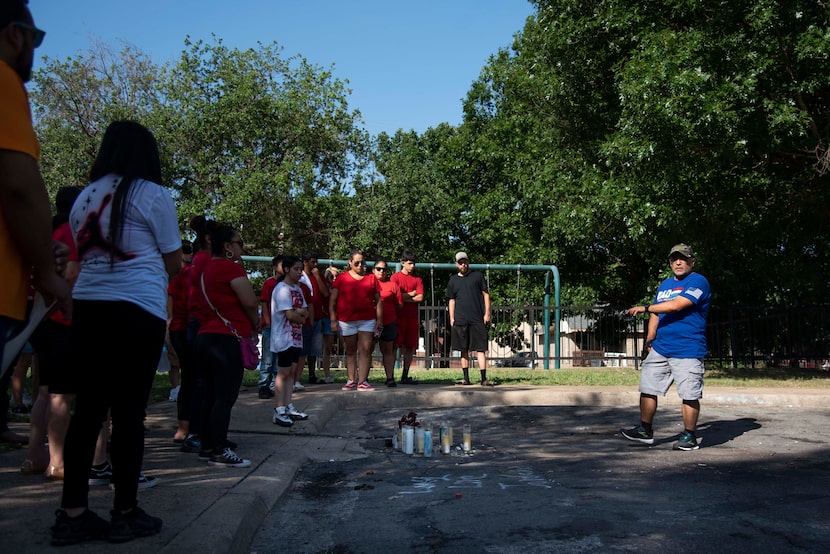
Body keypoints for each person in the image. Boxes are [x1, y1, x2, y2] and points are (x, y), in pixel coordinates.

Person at [53, 120, 182, 545]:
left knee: (88, 410)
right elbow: (173, 262)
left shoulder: (85, 197)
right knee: (129, 414)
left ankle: (72, 514)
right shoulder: (152, 193)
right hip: (136, 310)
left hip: (89, 308)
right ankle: (125, 511)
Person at [0, 0, 71, 384]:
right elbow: (19, 186)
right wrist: (46, 269)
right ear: (15, 34)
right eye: (36, 38)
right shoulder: (3, 79)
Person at [621, 243, 711, 451]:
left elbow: (677, 305)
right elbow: (656, 313)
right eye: (674, 259)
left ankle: (689, 436)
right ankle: (645, 430)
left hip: (687, 348)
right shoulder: (665, 285)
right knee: (647, 388)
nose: (678, 262)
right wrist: (650, 338)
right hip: (661, 347)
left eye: (683, 258)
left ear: (692, 261)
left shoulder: (698, 282)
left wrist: (644, 307)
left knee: (689, 393)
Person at [22, 186, 81, 480]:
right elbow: (72, 275)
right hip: (63, 319)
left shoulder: (45, 231)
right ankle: (57, 461)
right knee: (62, 394)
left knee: (46, 392)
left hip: (40, 319)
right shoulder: (72, 233)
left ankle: (35, 456)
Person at [194, 224, 258, 468]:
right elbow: (250, 301)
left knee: (210, 394)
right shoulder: (230, 268)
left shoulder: (205, 269)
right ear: (227, 247)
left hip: (206, 336)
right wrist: (253, 323)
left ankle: (208, 444)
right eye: (239, 243)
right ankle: (219, 450)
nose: (242, 247)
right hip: (226, 338)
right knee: (225, 396)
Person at [329, 249, 382, 391]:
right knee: (350, 350)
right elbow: (332, 301)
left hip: (367, 319)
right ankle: (351, 379)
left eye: (362, 262)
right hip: (346, 320)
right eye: (356, 262)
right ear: (350, 262)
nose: (360, 265)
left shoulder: (371, 278)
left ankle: (363, 381)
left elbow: (378, 301)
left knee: (365, 350)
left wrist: (379, 319)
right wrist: (333, 320)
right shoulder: (342, 278)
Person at [270, 256, 311, 426]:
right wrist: (299, 315)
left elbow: (305, 312)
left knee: (292, 372)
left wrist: (299, 313)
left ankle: (288, 405)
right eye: (296, 269)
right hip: (283, 336)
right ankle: (279, 409)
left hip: (296, 336)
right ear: (286, 269)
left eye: (301, 269)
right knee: (283, 372)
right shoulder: (281, 289)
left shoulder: (298, 289)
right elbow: (290, 314)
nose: (299, 272)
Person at [446, 251, 491, 386]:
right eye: (460, 262)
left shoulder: (477, 276)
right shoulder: (453, 280)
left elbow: (486, 295)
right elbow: (451, 300)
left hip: (477, 319)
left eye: (465, 261)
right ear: (456, 264)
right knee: (463, 350)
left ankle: (484, 378)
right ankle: (466, 378)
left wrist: (487, 313)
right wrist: (452, 318)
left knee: (480, 349)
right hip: (460, 319)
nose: (463, 264)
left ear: (468, 262)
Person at [167, 239, 193, 442]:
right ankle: (185, 429)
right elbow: (170, 308)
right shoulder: (178, 279)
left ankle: (185, 428)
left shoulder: (182, 277)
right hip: (183, 329)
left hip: (185, 329)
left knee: (192, 380)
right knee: (192, 380)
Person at [390, 249, 424, 384]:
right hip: (398, 317)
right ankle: (390, 375)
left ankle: (405, 375)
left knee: (410, 347)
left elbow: (420, 297)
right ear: (403, 263)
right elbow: (395, 296)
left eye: (414, 263)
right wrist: (411, 294)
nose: (412, 266)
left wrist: (404, 297)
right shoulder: (395, 277)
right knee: (394, 346)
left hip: (412, 317)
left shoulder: (417, 278)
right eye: (410, 263)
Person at [298, 251, 329, 385]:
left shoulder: (318, 276)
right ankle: (296, 378)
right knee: (302, 350)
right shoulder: (299, 277)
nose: (315, 264)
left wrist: (317, 276)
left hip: (317, 317)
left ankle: (312, 374)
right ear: (305, 262)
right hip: (302, 319)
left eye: (316, 261)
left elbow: (325, 293)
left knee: (314, 349)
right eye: (312, 262)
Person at [374, 259, 402, 387]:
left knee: (388, 350)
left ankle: (389, 378)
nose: (381, 271)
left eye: (384, 269)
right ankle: (362, 379)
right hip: (370, 322)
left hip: (389, 322)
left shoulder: (392, 285)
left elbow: (399, 304)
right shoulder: (368, 283)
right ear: (373, 270)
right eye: (379, 269)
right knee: (366, 349)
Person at [258, 255, 283, 398]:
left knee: (278, 359)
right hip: (270, 326)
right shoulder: (269, 283)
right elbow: (264, 302)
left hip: (281, 327)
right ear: (274, 267)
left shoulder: (288, 284)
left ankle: (274, 384)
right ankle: (263, 385)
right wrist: (267, 321)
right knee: (267, 358)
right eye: (281, 265)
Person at [319, 266, 339, 382]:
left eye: (337, 276)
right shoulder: (325, 289)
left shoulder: (341, 288)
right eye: (331, 276)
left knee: (349, 347)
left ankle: (353, 376)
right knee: (327, 347)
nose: (334, 278)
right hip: (327, 319)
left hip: (341, 319)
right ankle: (327, 375)